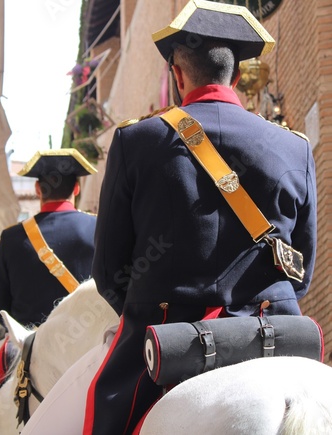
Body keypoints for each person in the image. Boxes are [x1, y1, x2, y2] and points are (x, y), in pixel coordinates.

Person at [83, 1, 317, 434]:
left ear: (177, 74)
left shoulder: (137, 141)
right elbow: (300, 271)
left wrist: (149, 306)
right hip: (278, 333)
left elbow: (109, 271)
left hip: (166, 334)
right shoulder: (294, 147)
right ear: (237, 72)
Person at [0, 148, 98, 328]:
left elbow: (0, 309)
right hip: (89, 345)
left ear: (38, 189)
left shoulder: (11, 238)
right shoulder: (97, 228)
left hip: (30, 349)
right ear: (77, 189)